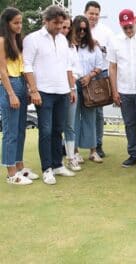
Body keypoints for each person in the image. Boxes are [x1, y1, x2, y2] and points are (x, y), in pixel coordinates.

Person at [23, 5, 76, 185]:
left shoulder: (62, 40)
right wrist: (34, 90)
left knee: (57, 130)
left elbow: (67, 66)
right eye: (56, 23)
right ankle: (47, 169)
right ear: (45, 21)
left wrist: (71, 88)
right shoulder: (32, 39)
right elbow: (27, 65)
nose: (59, 27)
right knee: (45, 131)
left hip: (62, 91)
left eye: (61, 23)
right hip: (43, 92)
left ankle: (57, 165)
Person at [108, 9, 136, 168]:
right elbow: (112, 67)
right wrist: (114, 91)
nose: (128, 30)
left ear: (135, 22)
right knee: (129, 124)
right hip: (124, 90)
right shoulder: (114, 41)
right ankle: (133, 155)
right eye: (124, 27)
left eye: (130, 26)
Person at [0, 7, 39, 185]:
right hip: (9, 84)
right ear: (7, 23)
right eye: (15, 22)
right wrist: (11, 94)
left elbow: (24, 66)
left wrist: (30, 89)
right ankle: (10, 172)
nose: (19, 25)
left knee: (21, 130)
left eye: (20, 22)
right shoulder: (2, 41)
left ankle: (20, 166)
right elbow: (2, 70)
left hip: (21, 84)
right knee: (11, 131)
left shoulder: (18, 41)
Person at [71, 15, 103, 164]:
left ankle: (93, 151)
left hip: (89, 84)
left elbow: (99, 66)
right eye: (79, 29)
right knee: (73, 119)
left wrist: (90, 76)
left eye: (85, 29)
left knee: (90, 118)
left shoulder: (93, 46)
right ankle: (75, 151)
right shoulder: (67, 45)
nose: (82, 32)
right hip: (71, 84)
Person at [84, 1, 113, 158]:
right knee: (76, 112)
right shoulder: (79, 28)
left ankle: (97, 145)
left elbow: (111, 54)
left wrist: (99, 46)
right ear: (85, 13)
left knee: (98, 112)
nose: (93, 16)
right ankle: (71, 145)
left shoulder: (106, 32)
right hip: (80, 75)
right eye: (91, 13)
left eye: (96, 14)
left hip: (99, 74)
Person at [61, 17, 81, 171]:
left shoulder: (71, 47)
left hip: (70, 89)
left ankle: (71, 158)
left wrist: (71, 85)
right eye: (63, 26)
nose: (65, 30)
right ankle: (56, 160)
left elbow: (77, 69)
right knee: (54, 127)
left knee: (70, 125)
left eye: (68, 27)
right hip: (53, 90)